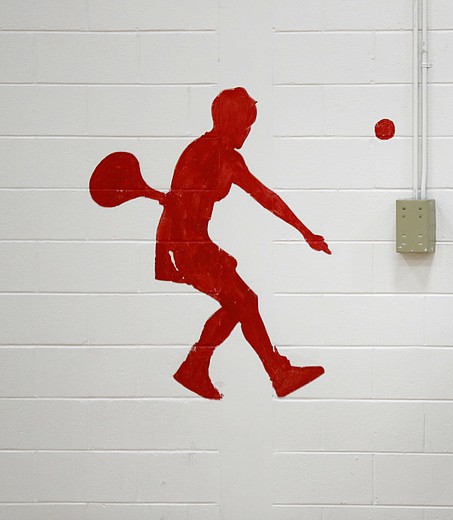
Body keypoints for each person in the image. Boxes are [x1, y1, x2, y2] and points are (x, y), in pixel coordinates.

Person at [90, 87, 330, 400]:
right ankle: (277, 374)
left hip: (192, 247)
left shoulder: (202, 152)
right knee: (246, 302)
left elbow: (178, 206)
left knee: (236, 306)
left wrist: (164, 258)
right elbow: (260, 199)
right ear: (233, 123)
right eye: (246, 126)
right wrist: (304, 231)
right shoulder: (221, 157)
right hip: (193, 249)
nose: (247, 133)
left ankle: (195, 367)